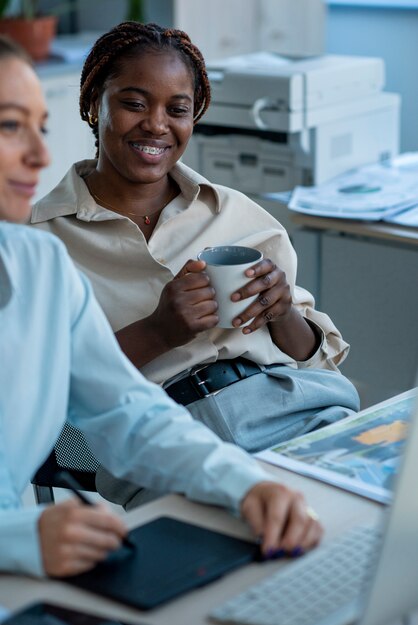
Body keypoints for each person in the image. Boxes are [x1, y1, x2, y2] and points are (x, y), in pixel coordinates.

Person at [0, 34, 323, 579]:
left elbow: (124, 410)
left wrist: (246, 485)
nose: (40, 155)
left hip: (283, 412)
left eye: (40, 127)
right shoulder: (50, 241)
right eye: (10, 126)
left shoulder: (35, 265)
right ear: (95, 106)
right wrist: (16, 540)